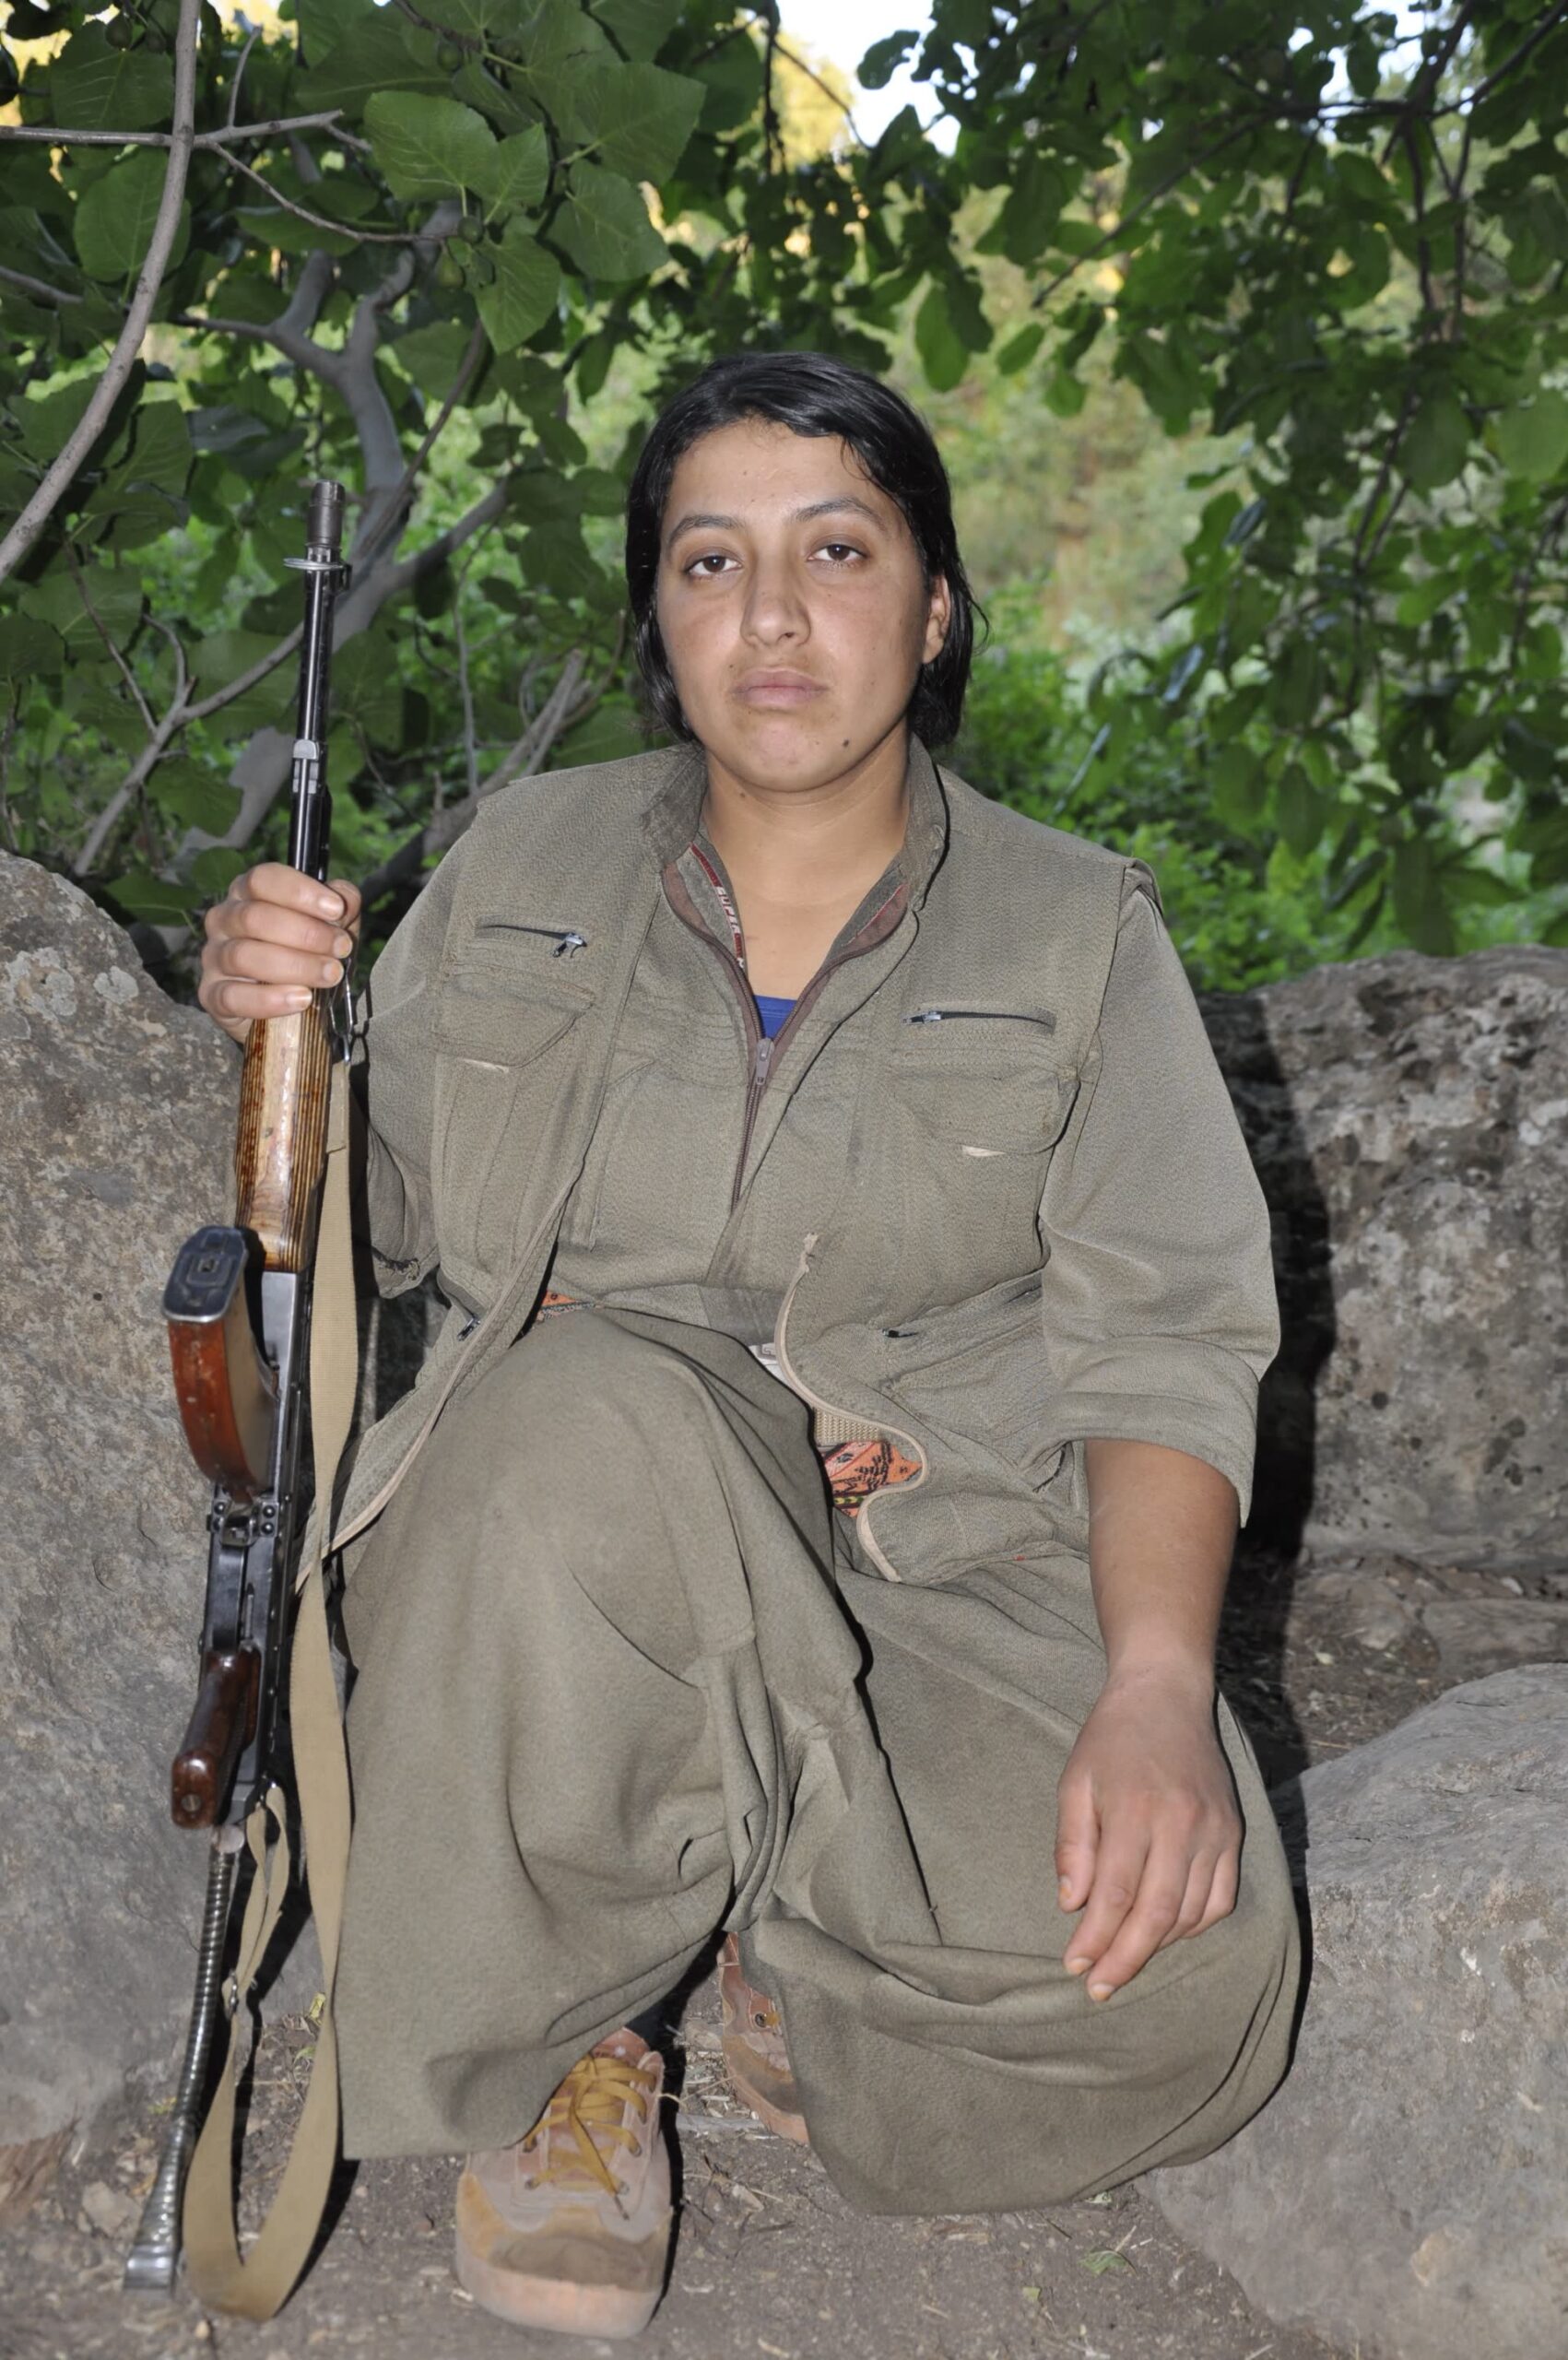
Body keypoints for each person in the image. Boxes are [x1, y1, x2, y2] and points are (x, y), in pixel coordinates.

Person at [198, 352, 1301, 2342]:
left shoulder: (1075, 932)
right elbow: (378, 1241)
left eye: (837, 552)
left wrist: (1154, 1685)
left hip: (931, 1573)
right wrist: (279, 1032)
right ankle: (572, 2036)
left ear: (933, 607)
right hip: (557, 1578)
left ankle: (773, 1926)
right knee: (584, 1424)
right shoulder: (520, 865)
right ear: (657, 614)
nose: (772, 616)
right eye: (710, 560)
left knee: (1181, 1971)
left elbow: (1165, 1340)